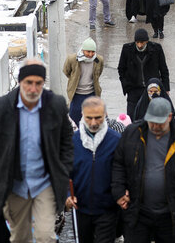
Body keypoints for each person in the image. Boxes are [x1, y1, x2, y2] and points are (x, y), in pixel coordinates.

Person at [0, 60, 74, 243]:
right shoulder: (1, 108)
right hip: (16, 185)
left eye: (38, 83)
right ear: (20, 82)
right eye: (28, 83)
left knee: (45, 235)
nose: (33, 88)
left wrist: (64, 169)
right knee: (20, 237)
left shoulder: (55, 106)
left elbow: (66, 141)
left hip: (44, 184)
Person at [111, 98, 175, 243]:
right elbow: (119, 164)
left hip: (171, 215)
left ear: (170, 117)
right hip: (137, 212)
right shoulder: (132, 134)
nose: (155, 126)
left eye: (159, 123)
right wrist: (119, 191)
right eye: (151, 121)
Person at [67, 97, 121, 243]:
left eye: (98, 118)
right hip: (80, 208)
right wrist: (67, 195)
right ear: (82, 116)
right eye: (88, 118)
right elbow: (65, 173)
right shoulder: (73, 142)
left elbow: (123, 172)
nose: (93, 123)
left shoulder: (116, 141)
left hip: (107, 209)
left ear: (105, 115)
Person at [117, 29, 170, 119]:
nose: (140, 45)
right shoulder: (127, 49)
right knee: (132, 118)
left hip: (151, 89)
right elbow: (121, 69)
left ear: (146, 41)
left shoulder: (156, 49)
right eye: (137, 42)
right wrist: (126, 85)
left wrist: (166, 88)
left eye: (142, 42)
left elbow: (163, 69)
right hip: (133, 90)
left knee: (153, 117)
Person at [63, 37, 104, 125]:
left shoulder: (99, 60)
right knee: (74, 121)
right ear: (83, 50)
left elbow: (98, 73)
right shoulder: (72, 59)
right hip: (77, 95)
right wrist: (74, 80)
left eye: (93, 52)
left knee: (91, 120)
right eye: (88, 51)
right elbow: (66, 71)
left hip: (91, 94)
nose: (90, 54)